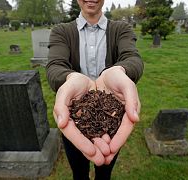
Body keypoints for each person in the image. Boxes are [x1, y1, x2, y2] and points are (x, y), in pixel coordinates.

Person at [46, 0, 144, 179]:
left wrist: (119, 71)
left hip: (111, 120)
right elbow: (55, 66)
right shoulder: (62, 31)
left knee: (105, 171)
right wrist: (70, 78)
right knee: (79, 173)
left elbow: (132, 58)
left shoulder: (121, 29)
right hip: (74, 114)